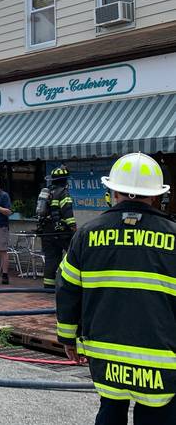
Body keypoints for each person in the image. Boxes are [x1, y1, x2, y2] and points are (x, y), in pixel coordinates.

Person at [56, 152, 176, 423]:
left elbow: (67, 288)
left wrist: (67, 338)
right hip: (161, 357)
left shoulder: (86, 234)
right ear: (156, 195)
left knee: (110, 409)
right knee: (158, 414)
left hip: (106, 353)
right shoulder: (172, 236)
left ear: (112, 191)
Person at [37, 166, 77, 288]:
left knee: (50, 259)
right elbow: (67, 213)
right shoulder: (63, 193)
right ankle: (73, 283)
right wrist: (74, 228)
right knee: (74, 255)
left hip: (46, 232)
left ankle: (48, 286)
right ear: (65, 180)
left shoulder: (47, 192)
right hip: (61, 232)